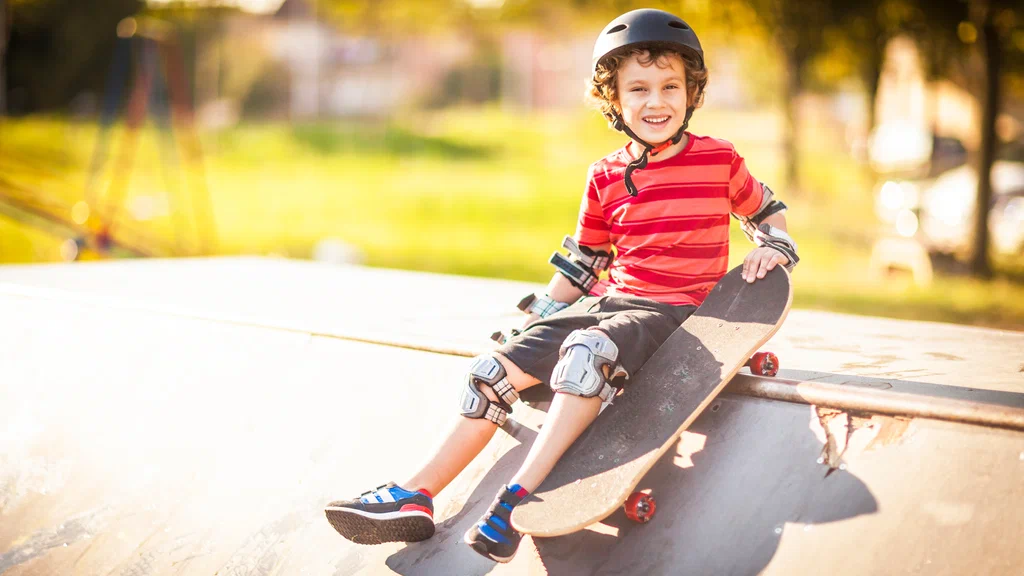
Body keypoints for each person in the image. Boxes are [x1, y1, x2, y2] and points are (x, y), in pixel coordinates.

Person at [324, 8, 798, 563]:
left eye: (671, 86)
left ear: (691, 92)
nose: (656, 102)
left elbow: (766, 211)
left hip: (677, 315)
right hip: (612, 304)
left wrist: (774, 246)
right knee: (488, 374)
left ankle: (515, 498)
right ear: (614, 100)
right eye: (638, 89)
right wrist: (543, 313)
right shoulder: (604, 175)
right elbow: (585, 263)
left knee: (584, 353)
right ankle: (415, 495)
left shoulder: (719, 160)